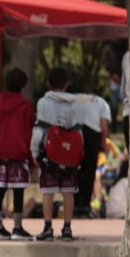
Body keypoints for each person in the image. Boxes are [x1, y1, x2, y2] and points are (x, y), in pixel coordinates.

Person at [0, 68, 37, 240]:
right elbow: (29, 133)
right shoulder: (26, 107)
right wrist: (30, 157)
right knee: (18, 190)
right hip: (19, 154)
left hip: (0, 154)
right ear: (23, 85)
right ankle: (17, 227)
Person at [31, 67, 80, 241]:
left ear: (48, 83)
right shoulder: (75, 102)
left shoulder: (43, 102)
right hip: (69, 154)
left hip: (49, 152)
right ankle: (67, 228)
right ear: (66, 84)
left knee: (48, 191)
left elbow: (40, 128)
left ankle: (47, 227)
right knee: (68, 191)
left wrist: (34, 150)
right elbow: (77, 130)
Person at [71, 88, 111, 219]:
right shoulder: (101, 102)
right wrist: (103, 144)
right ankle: (85, 206)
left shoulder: (72, 99)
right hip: (92, 135)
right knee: (89, 172)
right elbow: (103, 127)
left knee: (74, 171)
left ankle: (75, 204)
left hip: (74, 134)